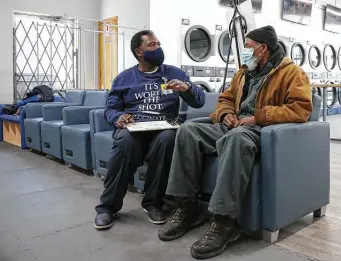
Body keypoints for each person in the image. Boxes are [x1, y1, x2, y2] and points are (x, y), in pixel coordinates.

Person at [158, 25, 313, 259]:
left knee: (236, 137)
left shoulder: (293, 73)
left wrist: (258, 117)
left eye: (249, 47)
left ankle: (224, 222)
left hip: (260, 129)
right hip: (233, 124)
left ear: (263, 49)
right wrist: (225, 114)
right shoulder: (243, 72)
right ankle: (188, 207)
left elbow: (300, 109)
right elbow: (225, 99)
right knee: (188, 130)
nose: (245, 51)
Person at [94, 30, 205, 230]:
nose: (158, 48)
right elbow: (110, 109)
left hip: (164, 127)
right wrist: (118, 117)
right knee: (124, 143)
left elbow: (199, 100)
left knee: (168, 139)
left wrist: (187, 88)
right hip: (134, 127)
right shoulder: (124, 78)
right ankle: (107, 207)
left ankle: (153, 202)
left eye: (159, 44)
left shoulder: (174, 73)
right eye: (152, 45)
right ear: (139, 51)